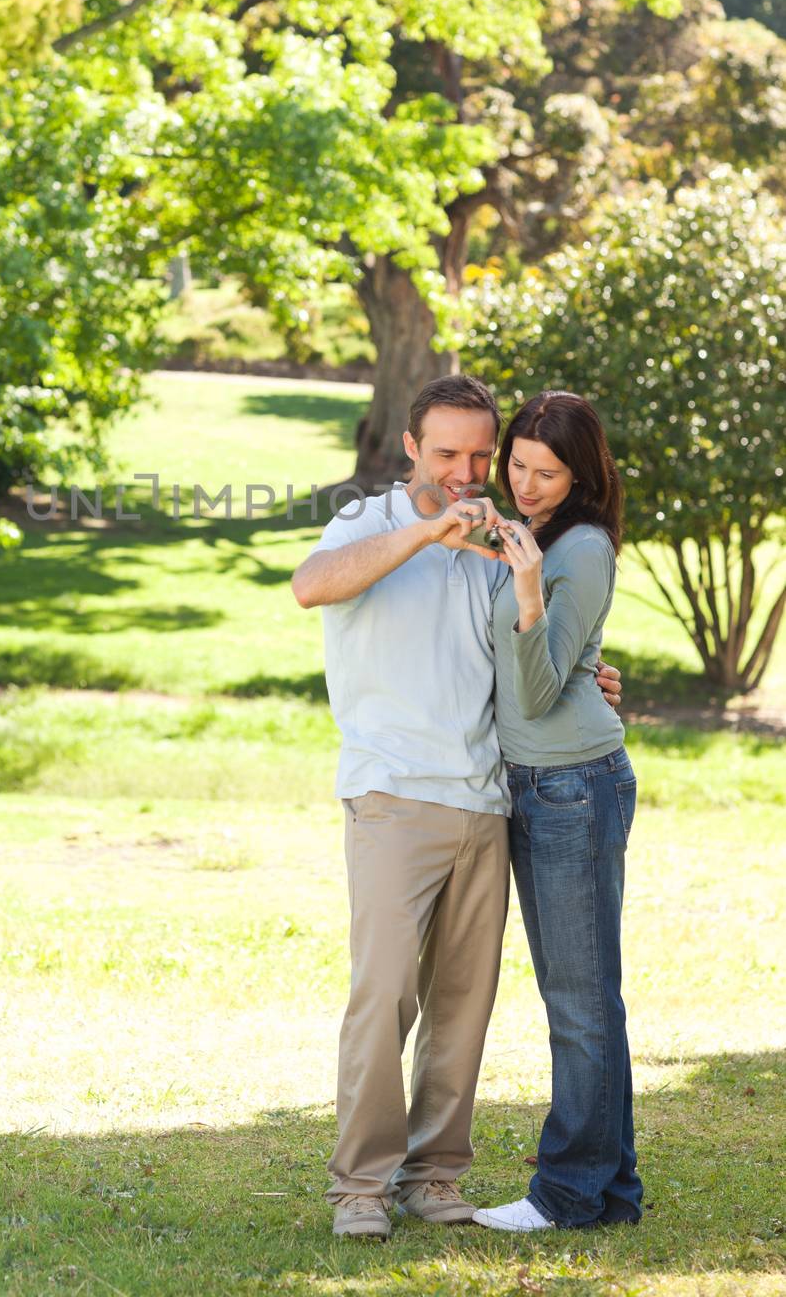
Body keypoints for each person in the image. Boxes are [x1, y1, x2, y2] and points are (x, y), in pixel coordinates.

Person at [291, 376, 621, 1240]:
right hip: (394, 796)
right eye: (447, 455)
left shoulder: (504, 538)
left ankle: (434, 1175)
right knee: (385, 995)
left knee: (463, 1004)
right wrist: (424, 530)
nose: (469, 472)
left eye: (482, 455)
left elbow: (531, 653)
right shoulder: (367, 522)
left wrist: (592, 674)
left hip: (488, 799)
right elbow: (311, 585)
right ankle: (360, 1185)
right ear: (410, 449)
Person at [469, 391, 642, 1232]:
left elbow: (537, 695)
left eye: (547, 471)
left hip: (570, 783)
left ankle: (566, 1193)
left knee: (579, 1003)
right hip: (538, 785)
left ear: (581, 475)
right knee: (582, 1000)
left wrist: (531, 594)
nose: (526, 483)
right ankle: (612, 1191)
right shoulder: (527, 537)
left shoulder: (574, 550)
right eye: (518, 465)